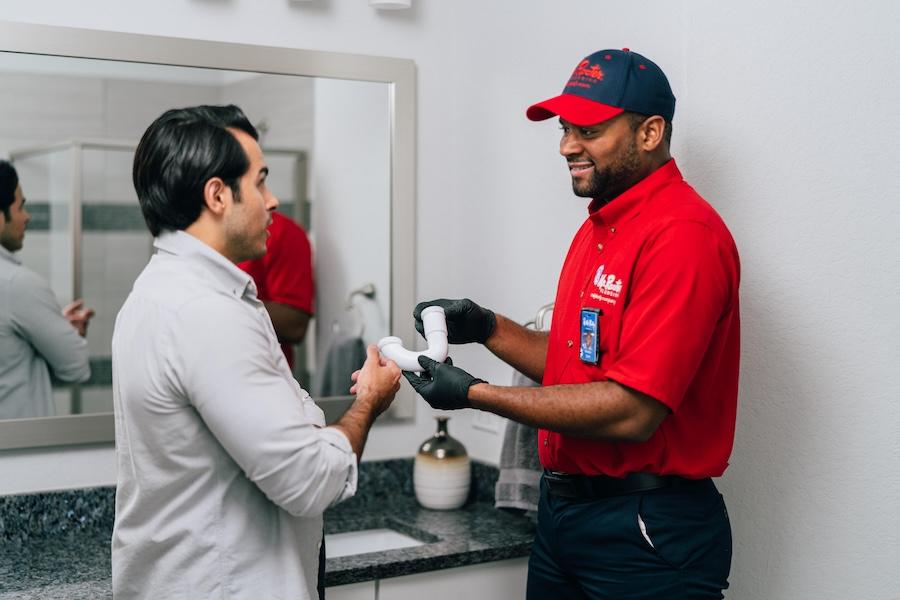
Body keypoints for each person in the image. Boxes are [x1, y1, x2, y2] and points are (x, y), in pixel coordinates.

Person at [405, 49, 740, 599]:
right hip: (564, 515)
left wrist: (476, 395)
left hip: (643, 526)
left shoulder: (683, 235)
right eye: (564, 129)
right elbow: (576, 366)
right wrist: (489, 326)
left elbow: (633, 410)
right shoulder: (600, 227)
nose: (566, 146)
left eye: (588, 129)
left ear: (651, 131)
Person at [112, 104, 401, 600]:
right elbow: (309, 481)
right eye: (261, 181)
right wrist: (368, 403)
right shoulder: (206, 313)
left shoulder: (158, 293)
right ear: (218, 195)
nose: (273, 199)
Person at [0, 160, 93, 419]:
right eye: (20, 207)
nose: (27, 217)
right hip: (21, 451)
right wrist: (63, 334)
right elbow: (76, 368)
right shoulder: (17, 285)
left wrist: (50, 328)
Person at [238, 210, 314, 369]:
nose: (272, 200)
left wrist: (222, 299)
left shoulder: (281, 231)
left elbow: (295, 325)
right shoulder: (186, 236)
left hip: (260, 376)